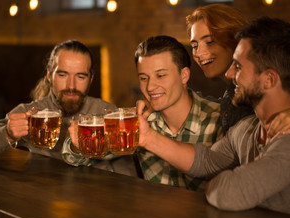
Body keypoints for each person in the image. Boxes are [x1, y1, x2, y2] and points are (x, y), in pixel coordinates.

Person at [137, 17, 290, 218]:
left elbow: (228, 194)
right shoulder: (246, 128)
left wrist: (222, 182)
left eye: (238, 67)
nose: (229, 72)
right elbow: (205, 161)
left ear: (269, 79)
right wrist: (147, 138)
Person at [62, 35, 222, 191]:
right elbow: (77, 157)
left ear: (184, 75)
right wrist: (78, 145)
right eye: (144, 78)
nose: (150, 86)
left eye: (160, 75)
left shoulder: (219, 119)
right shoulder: (140, 120)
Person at [0, 40, 121, 164]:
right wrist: (7, 134)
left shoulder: (107, 113)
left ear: (91, 79)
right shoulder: (30, 112)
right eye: (62, 75)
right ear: (49, 75)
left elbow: (126, 168)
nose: (71, 86)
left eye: (80, 76)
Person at [186, 4, 290, 136]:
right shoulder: (233, 92)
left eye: (210, 42)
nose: (198, 53)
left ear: (236, 41)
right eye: (194, 45)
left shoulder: (266, 85)